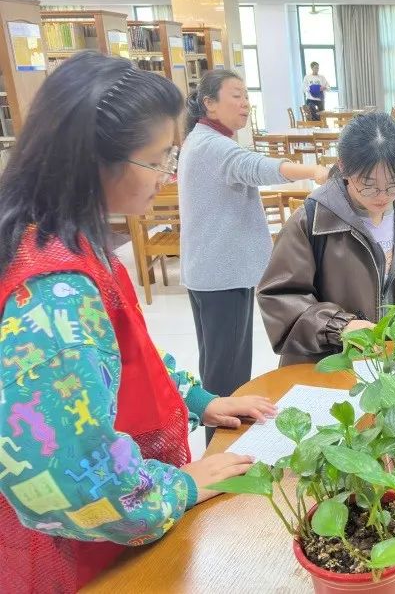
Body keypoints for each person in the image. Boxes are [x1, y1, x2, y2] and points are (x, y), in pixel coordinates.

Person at [0, 52, 276, 592]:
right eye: (157, 160)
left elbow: (130, 357)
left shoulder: (73, 241)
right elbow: (68, 481)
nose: (166, 176)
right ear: (95, 160)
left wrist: (201, 402)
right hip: (84, 556)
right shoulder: (53, 293)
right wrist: (182, 486)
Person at [179, 70, 328, 441]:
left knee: (219, 363)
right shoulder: (213, 146)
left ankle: (221, 445)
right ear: (209, 103)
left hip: (214, 271)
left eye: (246, 96)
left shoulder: (205, 140)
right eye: (235, 96)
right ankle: (223, 451)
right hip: (221, 274)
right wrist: (312, 170)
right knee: (227, 372)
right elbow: (256, 167)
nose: (245, 103)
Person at [258, 113, 395, 366]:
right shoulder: (312, 219)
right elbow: (280, 297)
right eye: (368, 185)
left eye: (394, 183)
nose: (382, 196)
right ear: (343, 167)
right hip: (328, 363)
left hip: (392, 357)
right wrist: (339, 327)